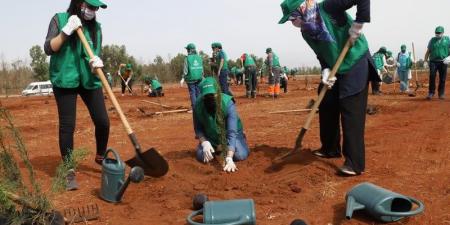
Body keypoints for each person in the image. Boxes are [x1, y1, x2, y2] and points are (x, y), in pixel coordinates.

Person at [279, 0, 379, 176]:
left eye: (292, 17)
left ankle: (354, 164)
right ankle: (330, 148)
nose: (292, 22)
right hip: (335, 67)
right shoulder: (307, 32)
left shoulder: (329, 7)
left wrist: (358, 24)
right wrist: (325, 70)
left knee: (350, 108)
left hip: (355, 60)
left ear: (302, 8)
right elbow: (321, 53)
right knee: (326, 101)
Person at [44, 0, 109, 190]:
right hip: (65, 78)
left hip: (88, 78)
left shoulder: (96, 28)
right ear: (79, 3)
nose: (93, 10)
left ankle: (101, 156)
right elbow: (48, 48)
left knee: (103, 121)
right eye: (90, 6)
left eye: (96, 8)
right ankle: (69, 169)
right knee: (67, 125)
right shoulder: (60, 19)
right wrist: (66, 32)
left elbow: (94, 52)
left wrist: (96, 62)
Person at [193, 77, 250, 172]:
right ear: (202, 96)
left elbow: (232, 131)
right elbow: (198, 128)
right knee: (201, 155)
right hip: (211, 136)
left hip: (230, 134)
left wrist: (229, 158)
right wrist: (204, 142)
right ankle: (217, 146)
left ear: (218, 93)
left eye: (213, 95)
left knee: (239, 155)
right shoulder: (198, 106)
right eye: (206, 96)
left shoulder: (227, 103)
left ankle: (240, 140)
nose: (210, 99)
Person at [424, 26, 450, 100]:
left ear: (442, 32)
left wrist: (449, 57)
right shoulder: (432, 40)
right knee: (432, 76)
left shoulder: (447, 39)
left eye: (439, 33)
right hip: (433, 61)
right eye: (436, 33)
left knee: (442, 78)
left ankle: (441, 93)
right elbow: (428, 52)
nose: (437, 34)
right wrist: (425, 61)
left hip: (443, 61)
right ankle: (431, 93)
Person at [180, 43, 204, 109]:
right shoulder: (199, 57)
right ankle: (199, 107)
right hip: (199, 78)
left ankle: (194, 108)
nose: (187, 50)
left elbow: (185, 70)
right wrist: (202, 76)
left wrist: (182, 78)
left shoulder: (187, 58)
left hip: (190, 79)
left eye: (187, 49)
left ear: (189, 50)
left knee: (192, 93)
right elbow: (202, 68)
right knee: (198, 92)